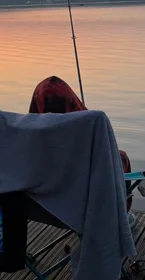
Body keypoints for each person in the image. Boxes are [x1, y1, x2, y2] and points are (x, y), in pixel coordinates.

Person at [29, 75, 132, 212]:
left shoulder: (27, 143)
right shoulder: (85, 134)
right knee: (120, 158)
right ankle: (122, 215)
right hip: (80, 208)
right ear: (71, 101)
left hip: (40, 208)